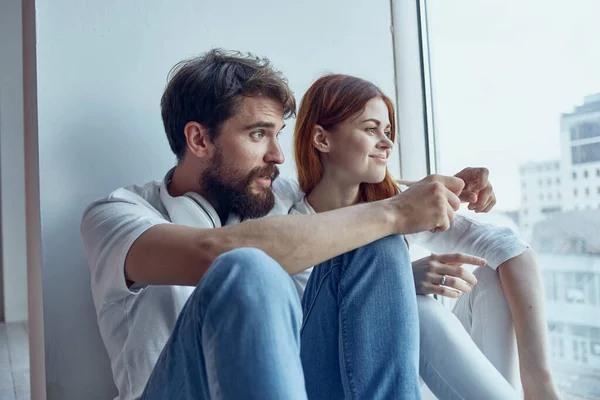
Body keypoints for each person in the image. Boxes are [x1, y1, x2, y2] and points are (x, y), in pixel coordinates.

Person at [80, 49, 497, 400]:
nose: (278, 156)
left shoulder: (269, 197)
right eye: (259, 135)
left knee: (377, 244)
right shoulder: (120, 214)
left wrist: (447, 188)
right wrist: (397, 212)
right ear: (199, 140)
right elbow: (208, 253)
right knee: (249, 267)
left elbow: (351, 190)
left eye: (278, 135)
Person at [290, 73, 562, 400]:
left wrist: (541, 385)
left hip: (401, 377)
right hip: (323, 378)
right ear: (322, 139)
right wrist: (399, 281)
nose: (388, 143)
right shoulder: (286, 211)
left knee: (491, 277)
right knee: (415, 302)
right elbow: (305, 319)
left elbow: (512, 249)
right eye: (371, 129)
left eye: (388, 132)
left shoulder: (393, 205)